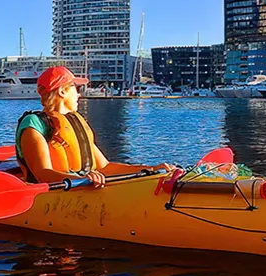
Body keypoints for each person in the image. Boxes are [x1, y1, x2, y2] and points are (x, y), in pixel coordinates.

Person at [16, 66, 171, 187]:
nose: (79, 95)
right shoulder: (33, 124)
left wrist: (151, 169)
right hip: (53, 193)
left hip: (82, 186)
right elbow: (43, 174)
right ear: (63, 91)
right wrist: (82, 179)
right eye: (76, 89)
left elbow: (105, 167)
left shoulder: (74, 124)